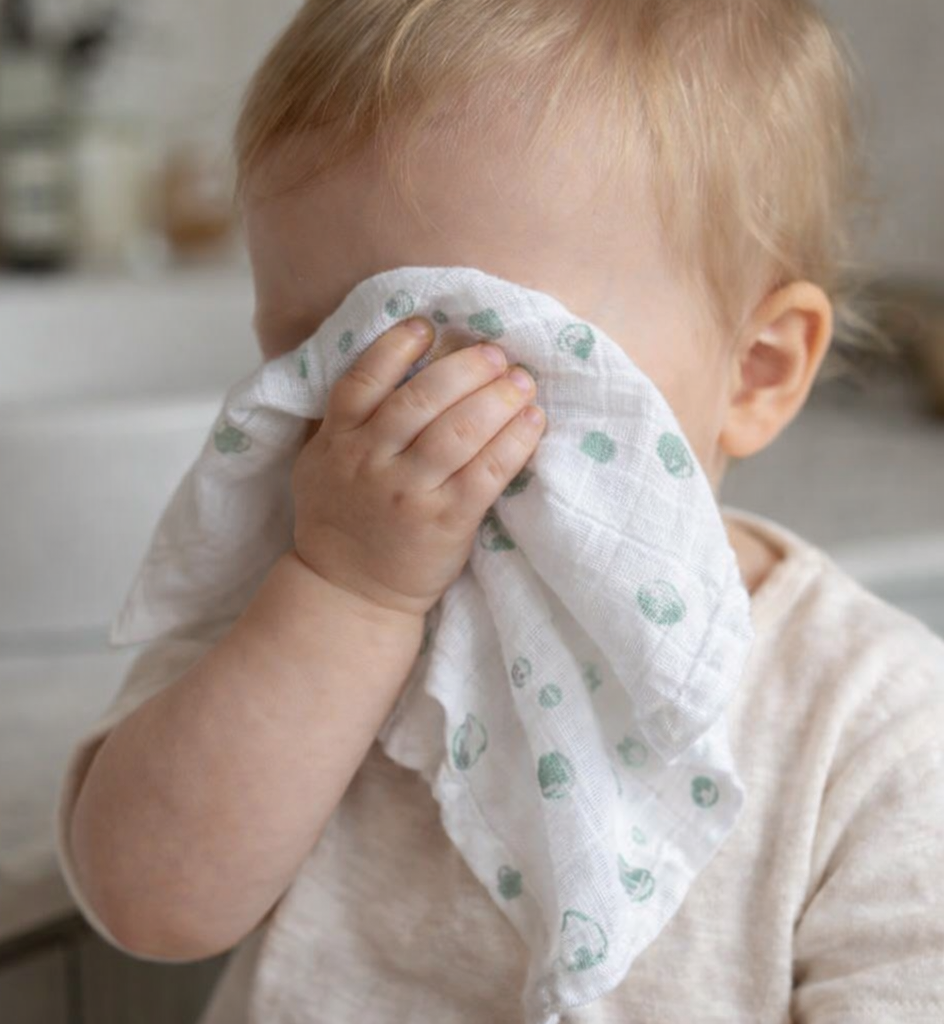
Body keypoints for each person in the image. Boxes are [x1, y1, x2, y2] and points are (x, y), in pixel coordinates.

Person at [54, 1, 944, 1020]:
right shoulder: (288, 591)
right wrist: (345, 593)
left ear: (754, 371)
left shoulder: (869, 722)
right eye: (319, 348)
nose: (386, 428)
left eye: (476, 355)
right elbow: (149, 901)